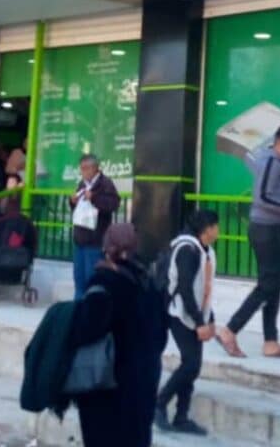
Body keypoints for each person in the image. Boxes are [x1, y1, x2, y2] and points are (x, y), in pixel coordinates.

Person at [216, 125, 280, 359]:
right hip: (265, 229)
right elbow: (262, 199)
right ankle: (230, 330)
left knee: (274, 285)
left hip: (272, 229)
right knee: (268, 285)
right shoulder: (272, 163)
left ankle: (271, 342)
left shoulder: (273, 162)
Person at [71, 223, 168, 447]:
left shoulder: (103, 283)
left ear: (107, 248)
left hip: (108, 387)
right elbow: (161, 335)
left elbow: (86, 330)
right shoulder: (149, 283)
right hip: (143, 384)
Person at [156, 210, 219, 435]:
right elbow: (185, 289)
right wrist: (199, 321)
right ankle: (160, 403)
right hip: (179, 313)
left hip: (193, 313)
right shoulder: (187, 250)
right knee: (191, 364)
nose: (218, 231)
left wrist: (209, 318)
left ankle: (181, 416)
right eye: (216, 226)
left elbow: (204, 289)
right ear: (207, 229)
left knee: (192, 366)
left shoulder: (205, 251)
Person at [69, 154, 120, 299]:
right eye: (81, 168)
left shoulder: (105, 184)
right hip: (80, 239)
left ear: (95, 168)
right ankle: (78, 307)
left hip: (95, 240)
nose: (83, 172)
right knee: (79, 279)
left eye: (85, 168)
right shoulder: (82, 184)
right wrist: (72, 202)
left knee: (92, 279)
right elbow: (78, 210)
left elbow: (113, 204)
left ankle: (90, 308)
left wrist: (94, 197)